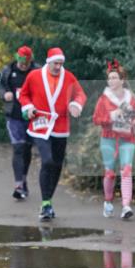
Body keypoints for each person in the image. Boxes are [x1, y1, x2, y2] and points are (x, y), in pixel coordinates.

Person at [18, 47, 86, 220]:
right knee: (47, 161)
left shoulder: (68, 77)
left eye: (61, 63)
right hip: (40, 125)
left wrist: (76, 105)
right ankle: (45, 202)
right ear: (49, 62)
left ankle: (48, 202)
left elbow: (80, 94)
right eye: (56, 63)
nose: (58, 67)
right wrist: (29, 107)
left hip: (61, 127)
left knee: (56, 165)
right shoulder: (34, 76)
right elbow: (24, 94)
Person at [92, 60, 135, 220]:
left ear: (122, 80)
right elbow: (96, 119)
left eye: (115, 78)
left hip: (127, 138)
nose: (112, 81)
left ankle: (126, 206)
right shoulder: (103, 99)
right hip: (108, 139)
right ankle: (108, 201)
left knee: (127, 170)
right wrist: (113, 115)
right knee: (110, 173)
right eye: (110, 78)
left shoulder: (130, 98)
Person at [0, 45, 38, 200]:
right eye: (20, 62)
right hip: (13, 116)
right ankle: (18, 185)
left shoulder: (37, 71)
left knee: (27, 150)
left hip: (31, 117)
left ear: (30, 61)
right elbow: (0, 85)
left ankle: (23, 179)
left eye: (26, 63)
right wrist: (5, 94)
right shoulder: (8, 70)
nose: (22, 65)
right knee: (18, 148)